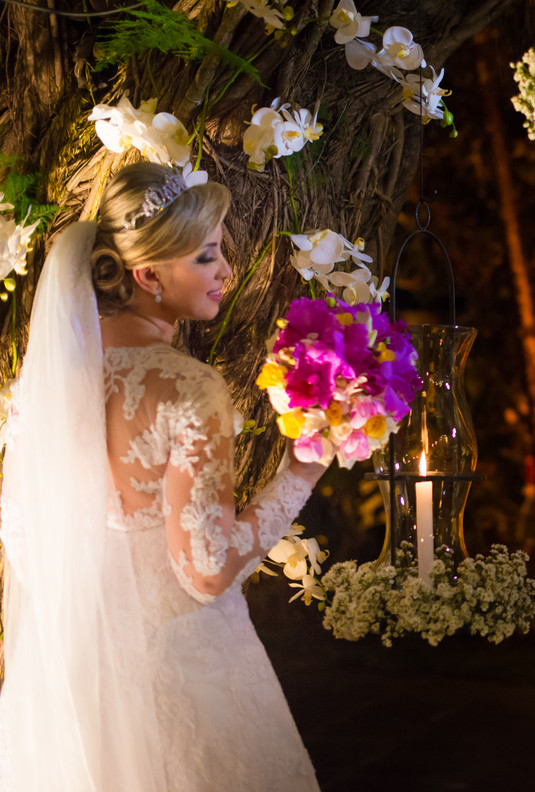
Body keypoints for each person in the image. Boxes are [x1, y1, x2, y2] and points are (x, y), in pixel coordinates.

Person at [0, 162, 327, 790]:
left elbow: (26, 542)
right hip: (188, 676)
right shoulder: (188, 388)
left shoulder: (43, 392)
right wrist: (301, 470)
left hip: (78, 692)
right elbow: (207, 571)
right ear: (148, 275)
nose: (228, 271)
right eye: (207, 256)